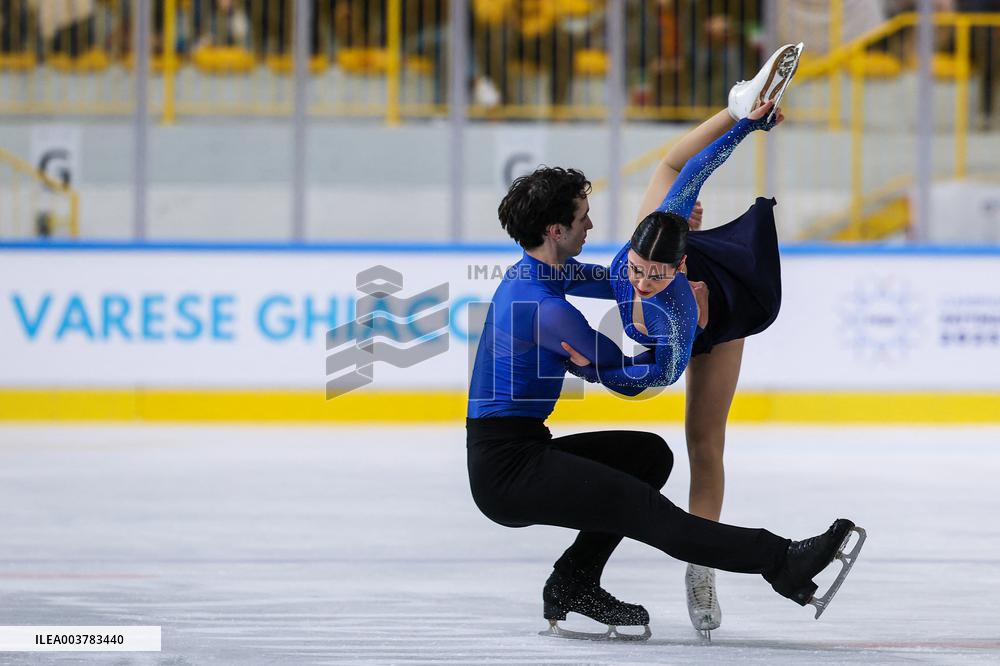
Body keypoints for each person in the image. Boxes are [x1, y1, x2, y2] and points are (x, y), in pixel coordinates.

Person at [465, 160, 865, 640]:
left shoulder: (541, 272)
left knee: (647, 456)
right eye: (583, 216)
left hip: (520, 447)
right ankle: (781, 561)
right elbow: (640, 372)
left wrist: (669, 248)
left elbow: (622, 279)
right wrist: (685, 328)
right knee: (650, 515)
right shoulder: (546, 309)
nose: (591, 224)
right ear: (555, 229)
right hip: (507, 472)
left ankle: (574, 581)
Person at [563, 42, 803, 639]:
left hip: (716, 317)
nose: (640, 281)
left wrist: (599, 371)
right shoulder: (635, 256)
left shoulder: (679, 314)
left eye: (653, 274)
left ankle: (702, 566)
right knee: (671, 176)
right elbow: (687, 168)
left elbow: (656, 378)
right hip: (682, 250)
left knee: (704, 440)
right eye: (637, 268)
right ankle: (739, 96)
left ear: (677, 271)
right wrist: (740, 119)